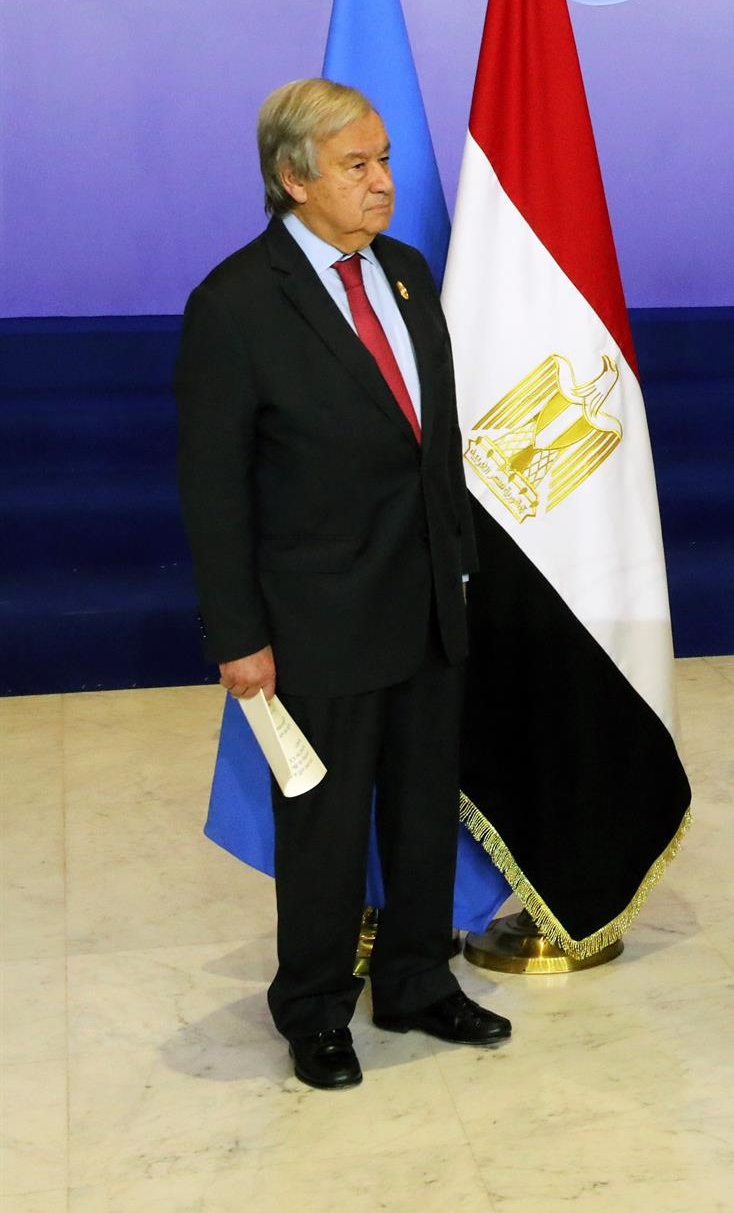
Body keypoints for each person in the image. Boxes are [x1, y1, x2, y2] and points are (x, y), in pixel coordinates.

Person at [174, 78, 510, 1091]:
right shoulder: (234, 302)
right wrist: (238, 634)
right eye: (357, 166)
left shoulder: (405, 273)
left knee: (420, 806)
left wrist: (463, 572)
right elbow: (213, 488)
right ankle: (314, 1005)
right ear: (292, 177)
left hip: (427, 601)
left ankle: (414, 975)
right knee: (323, 827)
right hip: (315, 617)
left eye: (385, 161)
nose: (383, 183)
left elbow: (434, 446)